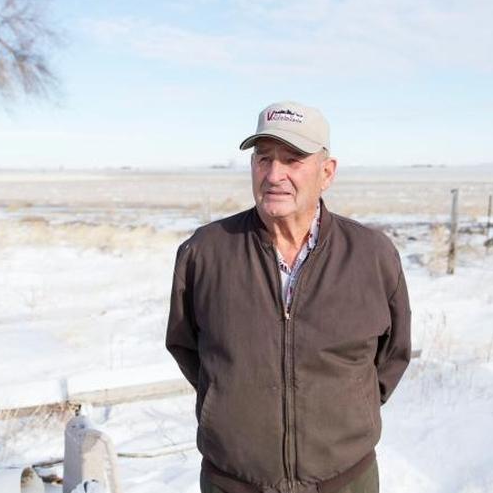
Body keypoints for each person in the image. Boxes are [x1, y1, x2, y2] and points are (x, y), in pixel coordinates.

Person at [166, 101, 412, 493]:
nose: (274, 174)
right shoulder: (206, 252)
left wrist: (346, 413)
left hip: (345, 480)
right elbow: (186, 346)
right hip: (234, 482)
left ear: (326, 172)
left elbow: (391, 355)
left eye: (293, 159)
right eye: (264, 159)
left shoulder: (372, 255)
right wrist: (232, 404)